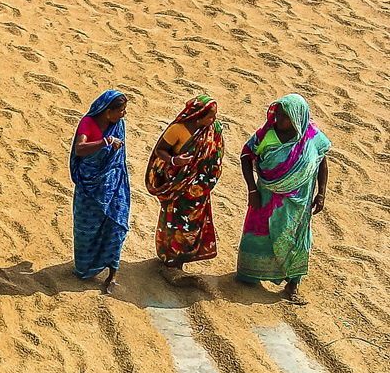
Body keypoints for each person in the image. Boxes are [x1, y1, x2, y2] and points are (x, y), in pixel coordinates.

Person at [236, 94, 330, 301]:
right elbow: (245, 155)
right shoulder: (265, 134)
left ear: (297, 118)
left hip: (298, 204)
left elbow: (322, 162)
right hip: (265, 199)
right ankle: (251, 273)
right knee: (260, 233)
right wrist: (252, 190)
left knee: (296, 239)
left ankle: (293, 283)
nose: (278, 119)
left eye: (284, 116)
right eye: (277, 114)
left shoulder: (312, 137)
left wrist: (321, 194)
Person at [145, 95, 224, 274]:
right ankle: (171, 260)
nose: (214, 119)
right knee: (174, 222)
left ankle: (182, 259)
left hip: (199, 189)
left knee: (192, 225)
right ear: (198, 115)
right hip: (178, 187)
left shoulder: (213, 129)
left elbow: (217, 154)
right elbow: (160, 150)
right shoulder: (178, 129)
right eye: (211, 116)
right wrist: (175, 160)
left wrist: (207, 180)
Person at [70, 91, 131, 294]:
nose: (123, 115)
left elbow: (118, 157)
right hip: (89, 186)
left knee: (114, 226)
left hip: (114, 184)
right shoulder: (87, 123)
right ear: (107, 112)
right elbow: (80, 149)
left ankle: (112, 274)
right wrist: (105, 143)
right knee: (85, 228)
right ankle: (84, 268)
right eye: (121, 110)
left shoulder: (118, 125)